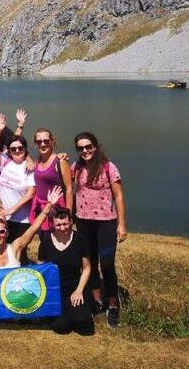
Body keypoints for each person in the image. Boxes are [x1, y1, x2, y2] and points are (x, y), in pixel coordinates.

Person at [0, 186, 64, 323]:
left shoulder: (15, 247)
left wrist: (48, 206)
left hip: (17, 298)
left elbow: (33, 228)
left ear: (7, 233)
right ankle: (12, 316)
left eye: (1, 232)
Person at [71, 131, 127, 329]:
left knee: (107, 264)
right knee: (90, 263)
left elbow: (119, 197)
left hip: (106, 222)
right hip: (83, 222)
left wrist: (121, 224)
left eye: (88, 147)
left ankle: (113, 305)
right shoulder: (76, 167)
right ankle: (97, 301)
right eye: (81, 148)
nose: (85, 150)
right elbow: (63, 179)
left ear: (95, 146)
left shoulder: (108, 167)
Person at [37, 206, 95, 335]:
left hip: (76, 288)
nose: (63, 228)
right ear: (52, 224)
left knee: (84, 325)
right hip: (56, 290)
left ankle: (85, 310)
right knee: (61, 327)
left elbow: (86, 268)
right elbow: (41, 269)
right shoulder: (46, 241)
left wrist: (79, 290)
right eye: (58, 225)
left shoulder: (81, 240)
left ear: (70, 222)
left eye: (65, 224)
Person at [0, 115, 35, 264]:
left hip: (22, 219)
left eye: (20, 148)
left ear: (25, 149)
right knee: (4, 251)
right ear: (9, 151)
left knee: (19, 253)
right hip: (3, 218)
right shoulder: (5, 162)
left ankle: (23, 283)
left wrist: (12, 210)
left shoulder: (29, 167)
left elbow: (31, 193)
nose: (17, 151)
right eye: (13, 149)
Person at [30, 128, 73, 232]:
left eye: (46, 141)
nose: (43, 144)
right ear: (36, 144)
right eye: (39, 141)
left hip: (57, 209)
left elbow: (69, 189)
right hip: (42, 209)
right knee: (45, 241)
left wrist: (68, 214)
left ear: (52, 141)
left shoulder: (60, 161)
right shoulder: (38, 161)